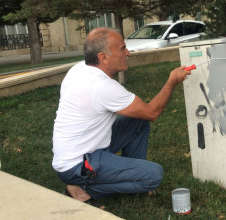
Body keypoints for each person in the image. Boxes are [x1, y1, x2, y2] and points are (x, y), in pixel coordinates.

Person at [52, 27, 190, 208]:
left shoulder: (79, 69)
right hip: (78, 164)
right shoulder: (101, 86)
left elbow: (143, 116)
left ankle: (130, 175)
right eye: (122, 49)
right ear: (103, 57)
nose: (128, 53)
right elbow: (152, 112)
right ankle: (83, 189)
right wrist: (172, 81)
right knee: (153, 175)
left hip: (79, 152)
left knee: (139, 121)